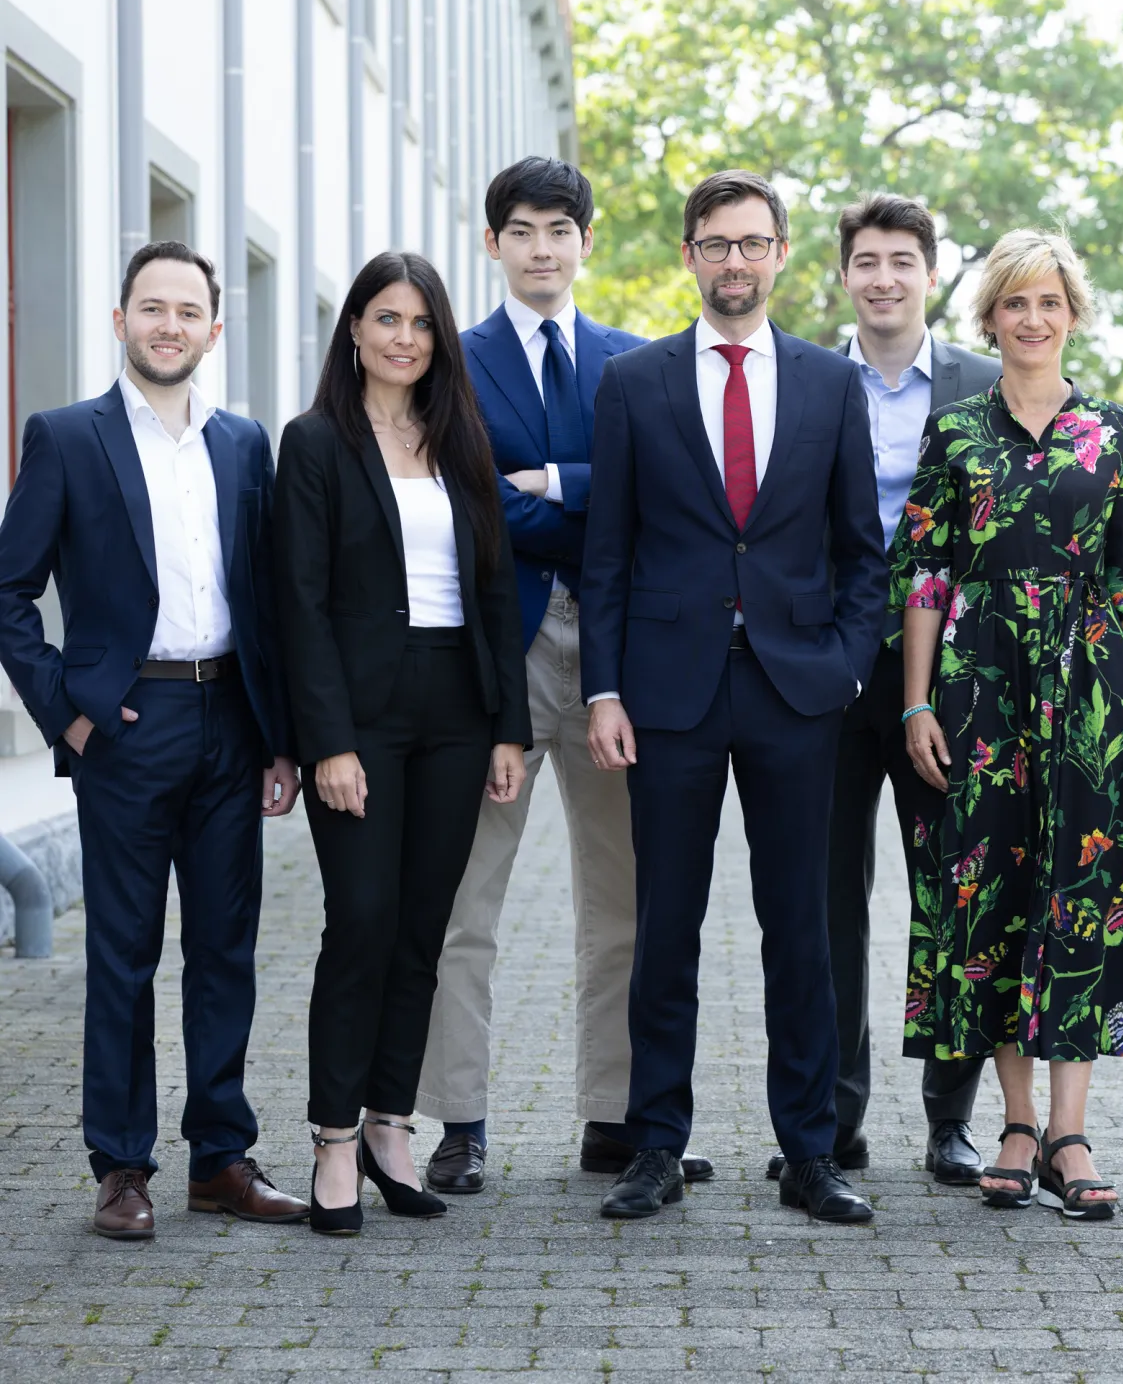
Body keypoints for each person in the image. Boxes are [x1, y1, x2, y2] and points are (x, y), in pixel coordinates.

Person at [582, 170, 888, 1223]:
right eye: (716, 244)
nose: (735, 261)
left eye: (754, 243)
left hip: (798, 693)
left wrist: (848, 663)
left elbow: (863, 553)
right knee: (664, 928)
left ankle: (809, 1151)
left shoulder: (827, 385)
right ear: (689, 257)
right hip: (667, 693)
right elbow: (607, 553)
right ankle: (656, 1144)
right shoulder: (633, 382)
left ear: (782, 256)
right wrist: (603, 691)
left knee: (798, 930)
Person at [0, 241, 307, 1240]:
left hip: (230, 720)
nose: (169, 324)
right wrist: (71, 713)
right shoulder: (68, 437)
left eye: (188, 310)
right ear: (121, 319)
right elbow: (10, 593)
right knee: (124, 958)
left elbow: (262, 601)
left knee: (226, 952)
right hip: (128, 727)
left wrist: (278, 738)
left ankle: (220, 1157)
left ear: (214, 329)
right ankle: (122, 1166)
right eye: (151, 307)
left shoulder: (243, 444)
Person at [416, 158, 710, 1192]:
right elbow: (468, 503)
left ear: (588, 240)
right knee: (466, 900)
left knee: (625, 900)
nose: (542, 247)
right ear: (492, 244)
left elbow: (666, 503)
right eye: (522, 230)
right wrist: (576, 503)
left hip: (619, 662)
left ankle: (616, 1117)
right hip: (494, 658)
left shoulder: (638, 364)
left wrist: (545, 484)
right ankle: (458, 1122)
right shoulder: (452, 360)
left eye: (560, 228)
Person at [894, 229, 1123, 1221]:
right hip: (978, 690)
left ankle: (1071, 1129)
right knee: (993, 894)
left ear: (1073, 313)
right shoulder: (957, 431)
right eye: (1014, 302)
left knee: (1078, 890)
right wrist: (916, 701)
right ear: (990, 317)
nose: (1032, 318)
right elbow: (925, 573)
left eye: (1049, 301)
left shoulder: (1115, 430)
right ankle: (1016, 1125)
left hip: (1090, 690)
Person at [274, 252, 530, 1236]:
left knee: (424, 929)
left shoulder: (460, 438)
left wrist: (507, 724)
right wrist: (326, 743)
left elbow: (496, 589)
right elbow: (296, 604)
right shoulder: (315, 445)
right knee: (363, 922)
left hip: (456, 713)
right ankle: (332, 1137)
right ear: (354, 330)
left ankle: (390, 1127)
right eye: (387, 319)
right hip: (363, 718)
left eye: (421, 324)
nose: (404, 339)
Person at [764, 195, 1000, 1187]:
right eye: (867, 261)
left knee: (954, 900)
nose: (885, 278)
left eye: (903, 260)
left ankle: (951, 1121)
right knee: (826, 907)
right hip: (827, 673)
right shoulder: (804, 381)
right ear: (845, 275)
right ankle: (831, 1121)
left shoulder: (986, 385)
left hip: (950, 683)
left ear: (931, 274)